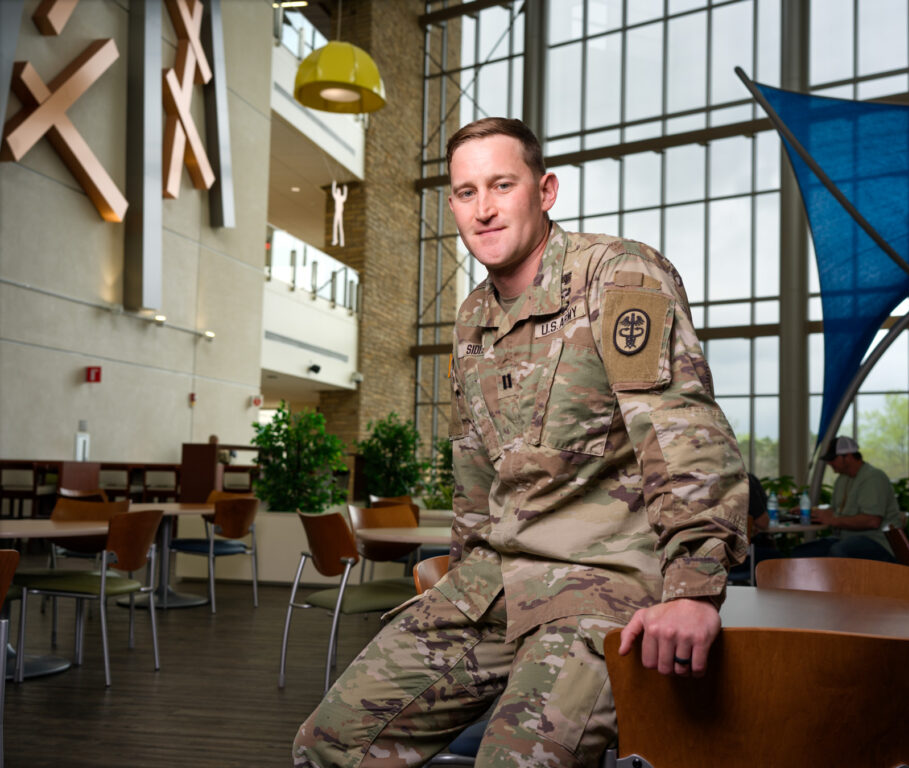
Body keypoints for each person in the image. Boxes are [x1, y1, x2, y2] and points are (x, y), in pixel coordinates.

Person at [293, 117, 748, 768]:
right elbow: (475, 470)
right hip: (492, 588)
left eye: (501, 184)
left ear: (546, 190)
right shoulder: (473, 315)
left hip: (601, 588)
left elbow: (680, 430)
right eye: (466, 192)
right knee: (326, 745)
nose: (483, 208)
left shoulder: (616, 273)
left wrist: (694, 587)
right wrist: (455, 584)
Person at [796, 436, 901, 562]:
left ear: (848, 456)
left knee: (838, 551)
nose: (829, 463)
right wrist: (810, 512)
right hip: (847, 540)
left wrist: (833, 520)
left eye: (833, 459)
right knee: (802, 553)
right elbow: (834, 511)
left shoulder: (873, 477)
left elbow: (872, 521)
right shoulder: (842, 479)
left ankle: (837, 582)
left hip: (878, 543)